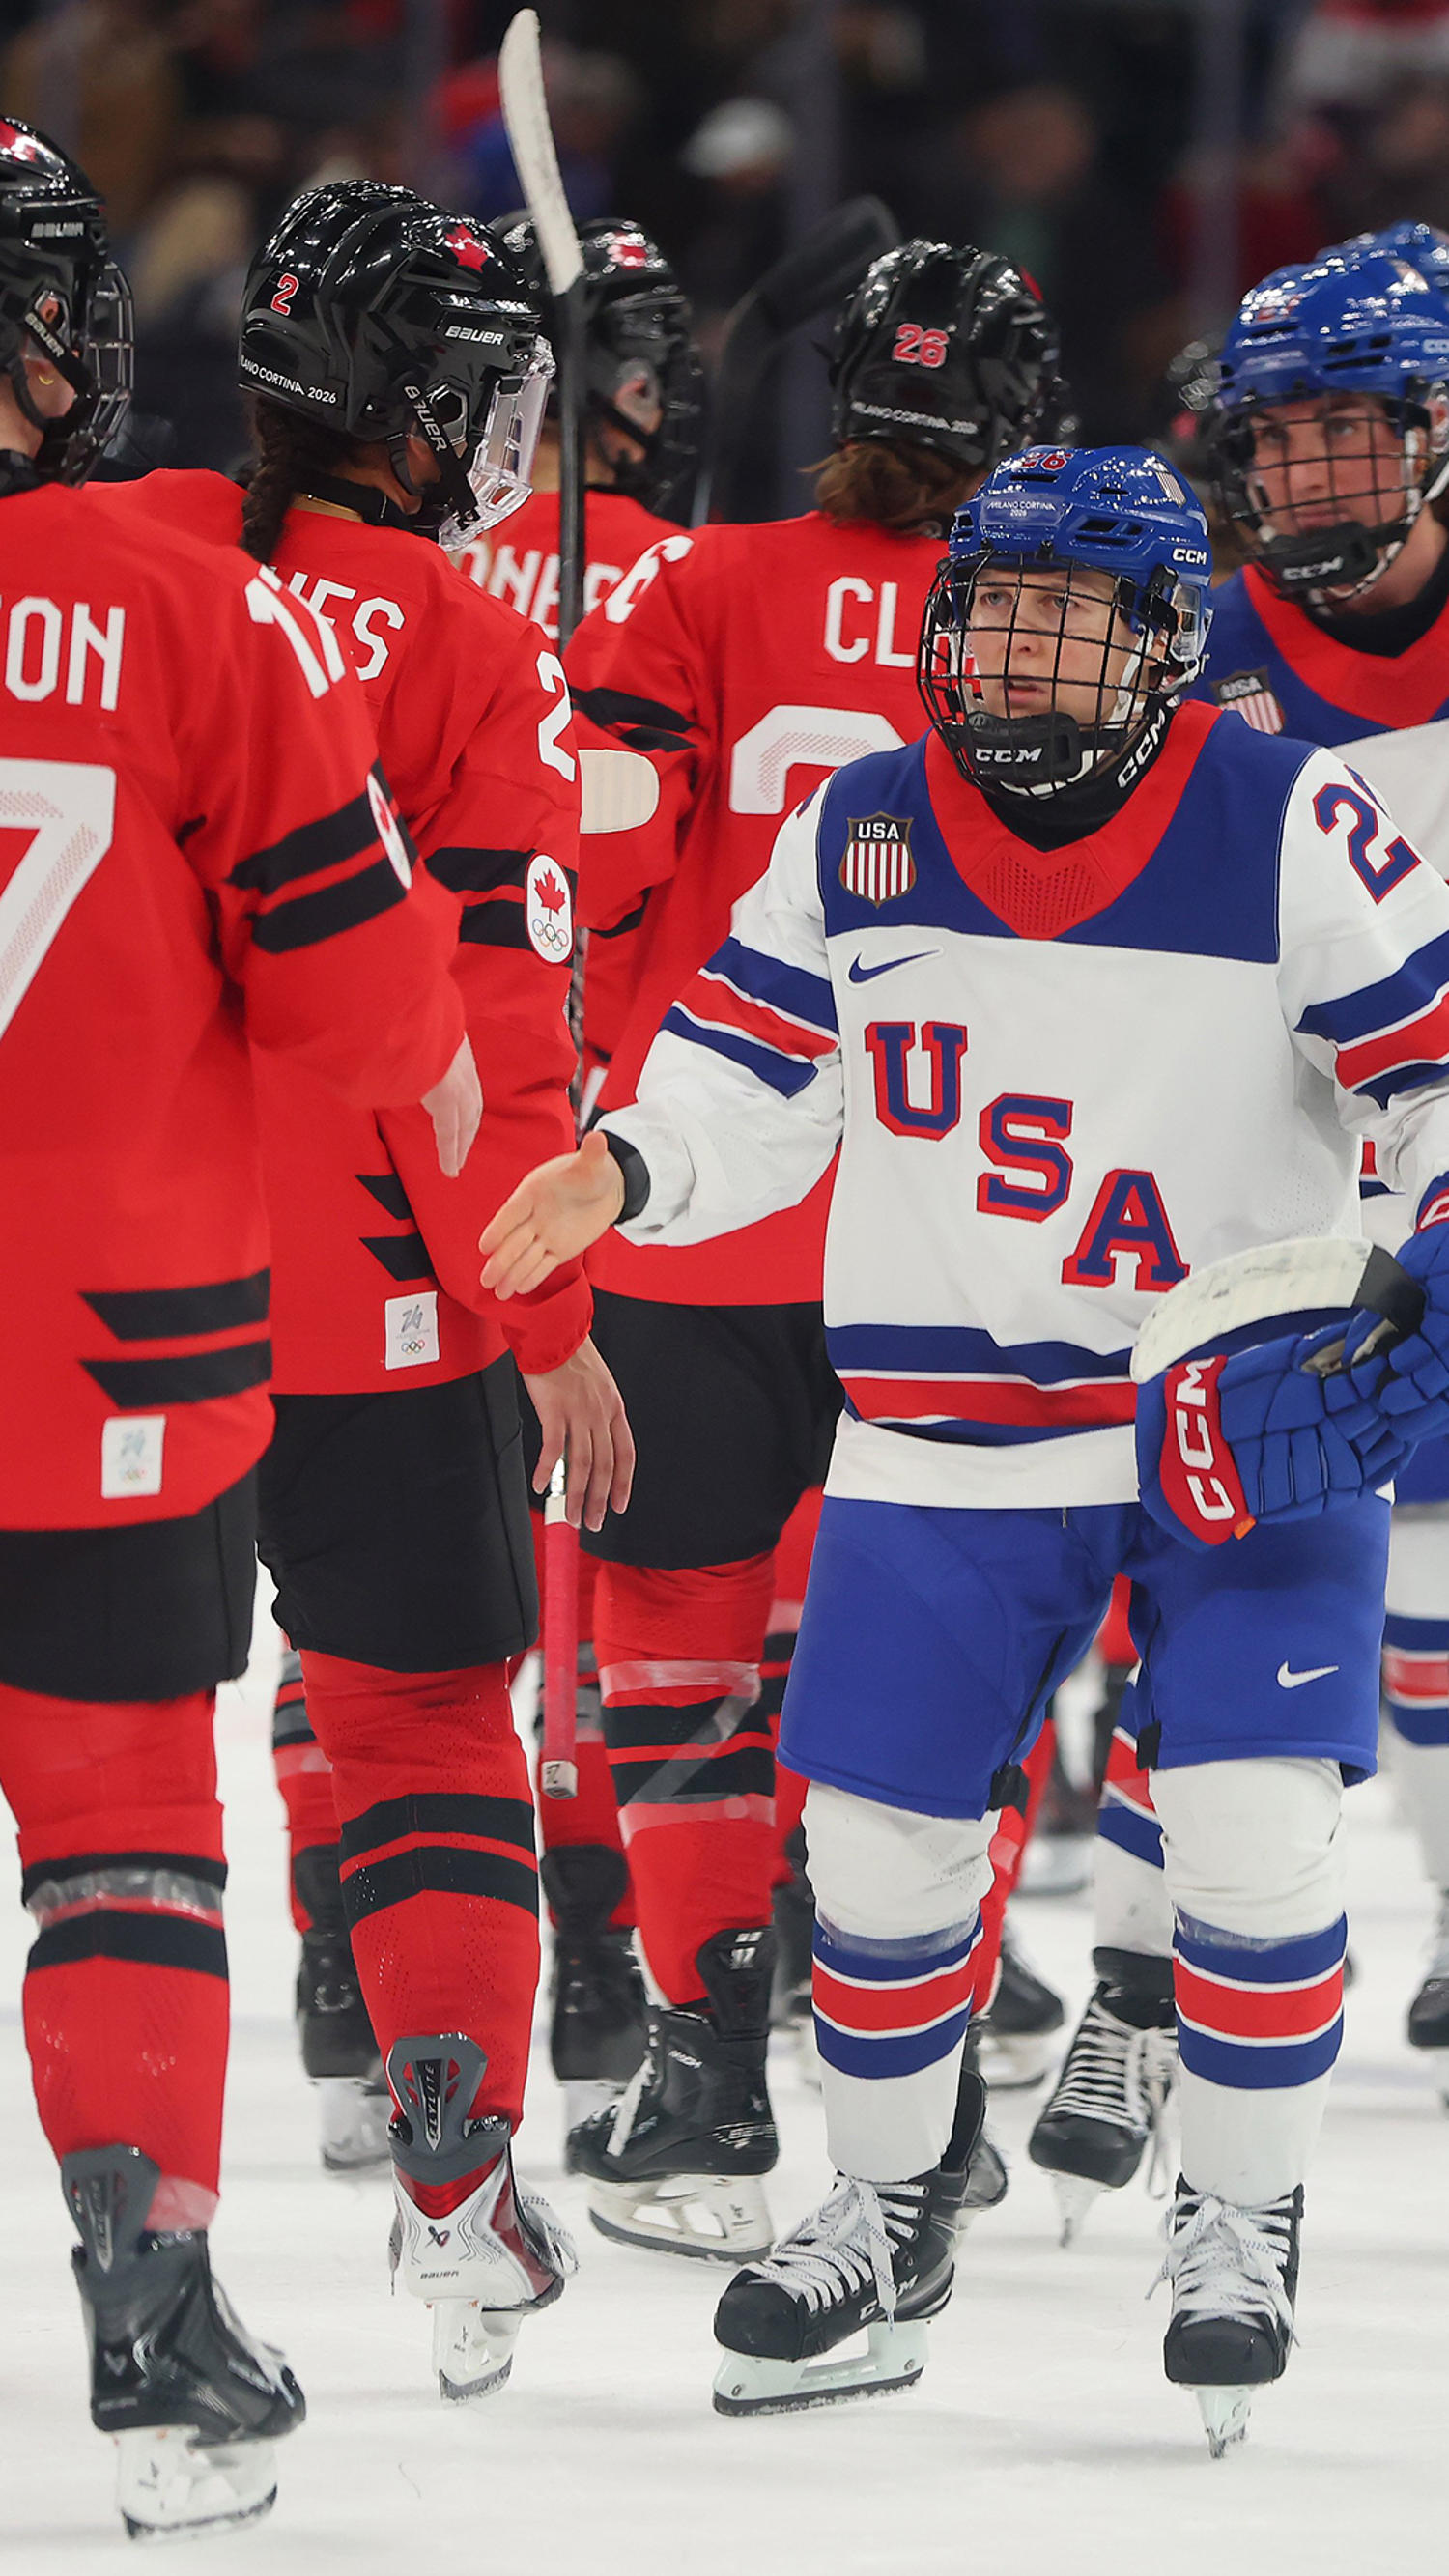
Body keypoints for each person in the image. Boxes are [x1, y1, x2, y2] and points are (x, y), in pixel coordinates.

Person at [478, 440, 1449, 2451]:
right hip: (948, 1419)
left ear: (1166, 644)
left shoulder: (1292, 817)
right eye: (993, 606)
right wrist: (631, 1156)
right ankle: (887, 2202)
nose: (1015, 649)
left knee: (1259, 1850)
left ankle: (1242, 2216)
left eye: (1068, 618)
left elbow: (1433, 1078)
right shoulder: (862, 823)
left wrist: (1424, 1262)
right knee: (882, 1862)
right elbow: (749, 1072)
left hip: (1235, 1417)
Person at [97, 179, 633, 2393]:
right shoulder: (466, 630)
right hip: (384, 1286)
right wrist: (555, 1318)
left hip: (120, 1271)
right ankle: (451, 2144)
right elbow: (504, 1020)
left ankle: (140, 2247)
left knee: (115, 1775)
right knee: (417, 1719)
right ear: (410, 399)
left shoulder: (119, 548)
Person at [0, 125, 479, 2538]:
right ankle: (153, 2304)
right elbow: (375, 1018)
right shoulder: (184, 598)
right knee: (118, 1830)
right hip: (105, 1343)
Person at [553, 240, 1065, 2263]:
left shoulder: (694, 587)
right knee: (953, 1662)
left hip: (707, 1213)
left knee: (674, 1647)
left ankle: (699, 2061)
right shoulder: (1053, 618)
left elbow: (585, 879)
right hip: (954, 1235)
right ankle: (917, 2089)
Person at [1031, 244, 1449, 2220]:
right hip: (1270, 1185)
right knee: (1212, 1569)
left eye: (1345, 429)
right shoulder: (1191, 643)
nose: (1305, 475)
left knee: (1432, 1593)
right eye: (1277, 437)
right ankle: (1135, 1971)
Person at [457, 213, 705, 2135]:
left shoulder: (392, 572)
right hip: (620, 1101)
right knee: (621, 1522)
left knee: (505, 1518)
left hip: (448, 1087)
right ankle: (632, 1924)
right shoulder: (676, 574)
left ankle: (589, 1931)